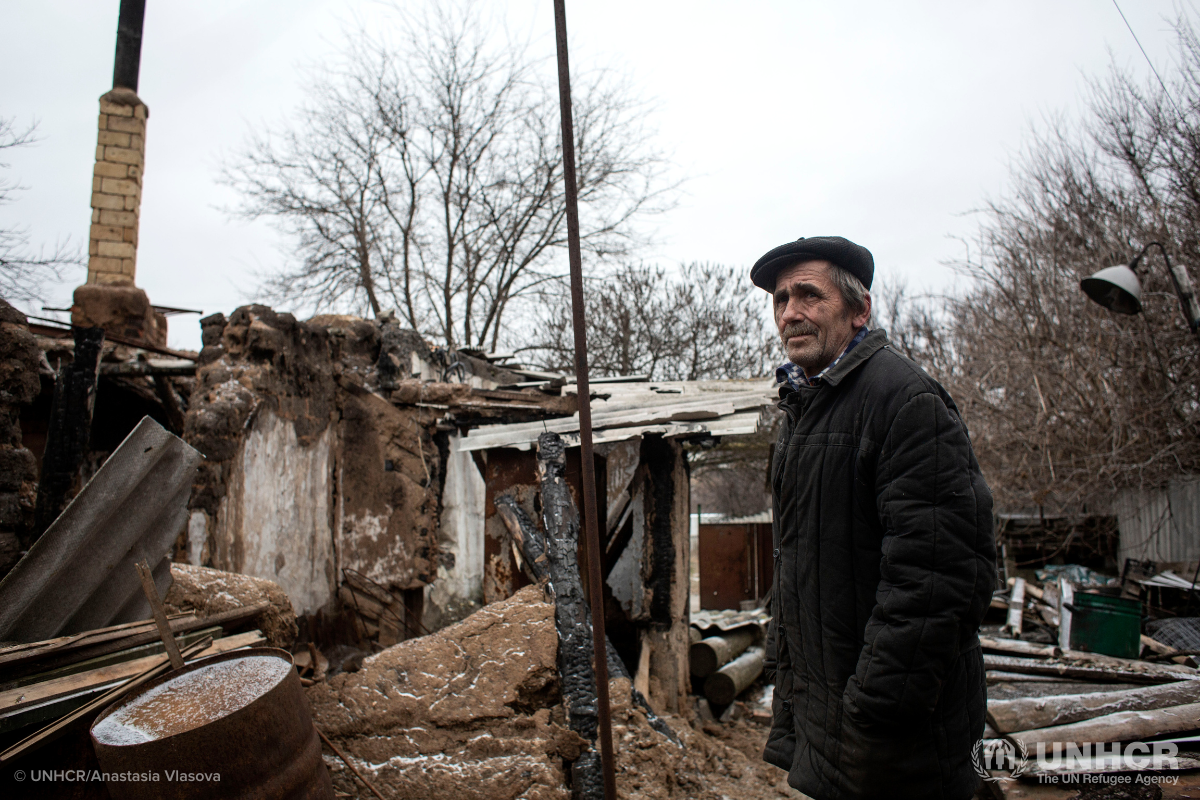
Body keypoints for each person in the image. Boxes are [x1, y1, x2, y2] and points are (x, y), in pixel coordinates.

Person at [752, 236, 997, 800]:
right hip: (833, 721)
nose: (790, 312)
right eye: (780, 299)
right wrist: (785, 675)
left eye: (809, 295)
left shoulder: (903, 400)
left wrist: (876, 707)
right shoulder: (804, 409)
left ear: (859, 309)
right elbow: (802, 562)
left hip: (895, 737)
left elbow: (942, 576)